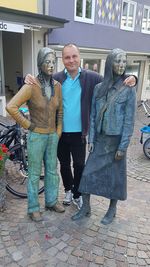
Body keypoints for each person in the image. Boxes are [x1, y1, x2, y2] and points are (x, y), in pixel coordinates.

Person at [25, 44, 137, 210]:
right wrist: (29, 77)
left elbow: (112, 76)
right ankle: (68, 190)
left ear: (79, 58)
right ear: (62, 59)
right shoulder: (56, 78)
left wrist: (134, 78)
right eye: (67, 57)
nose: (71, 60)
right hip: (60, 132)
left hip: (80, 133)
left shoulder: (92, 77)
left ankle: (78, 194)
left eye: (74, 56)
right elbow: (40, 80)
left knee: (79, 164)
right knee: (63, 164)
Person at [71, 48, 136, 225]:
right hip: (100, 140)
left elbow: (129, 121)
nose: (121, 65)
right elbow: (92, 115)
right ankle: (86, 207)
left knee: (115, 178)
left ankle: (112, 209)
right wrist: (91, 139)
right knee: (87, 175)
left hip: (116, 142)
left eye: (124, 61)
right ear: (110, 64)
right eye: (118, 61)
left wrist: (123, 147)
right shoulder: (99, 88)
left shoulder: (128, 89)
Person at [6, 47, 65, 222]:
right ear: (40, 64)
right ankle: (33, 207)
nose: (51, 65)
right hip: (37, 136)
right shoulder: (31, 86)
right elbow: (11, 107)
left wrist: (58, 131)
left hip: (52, 135)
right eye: (47, 62)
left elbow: (60, 111)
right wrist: (28, 125)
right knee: (33, 173)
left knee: (52, 171)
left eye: (53, 62)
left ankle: (51, 201)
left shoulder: (57, 86)